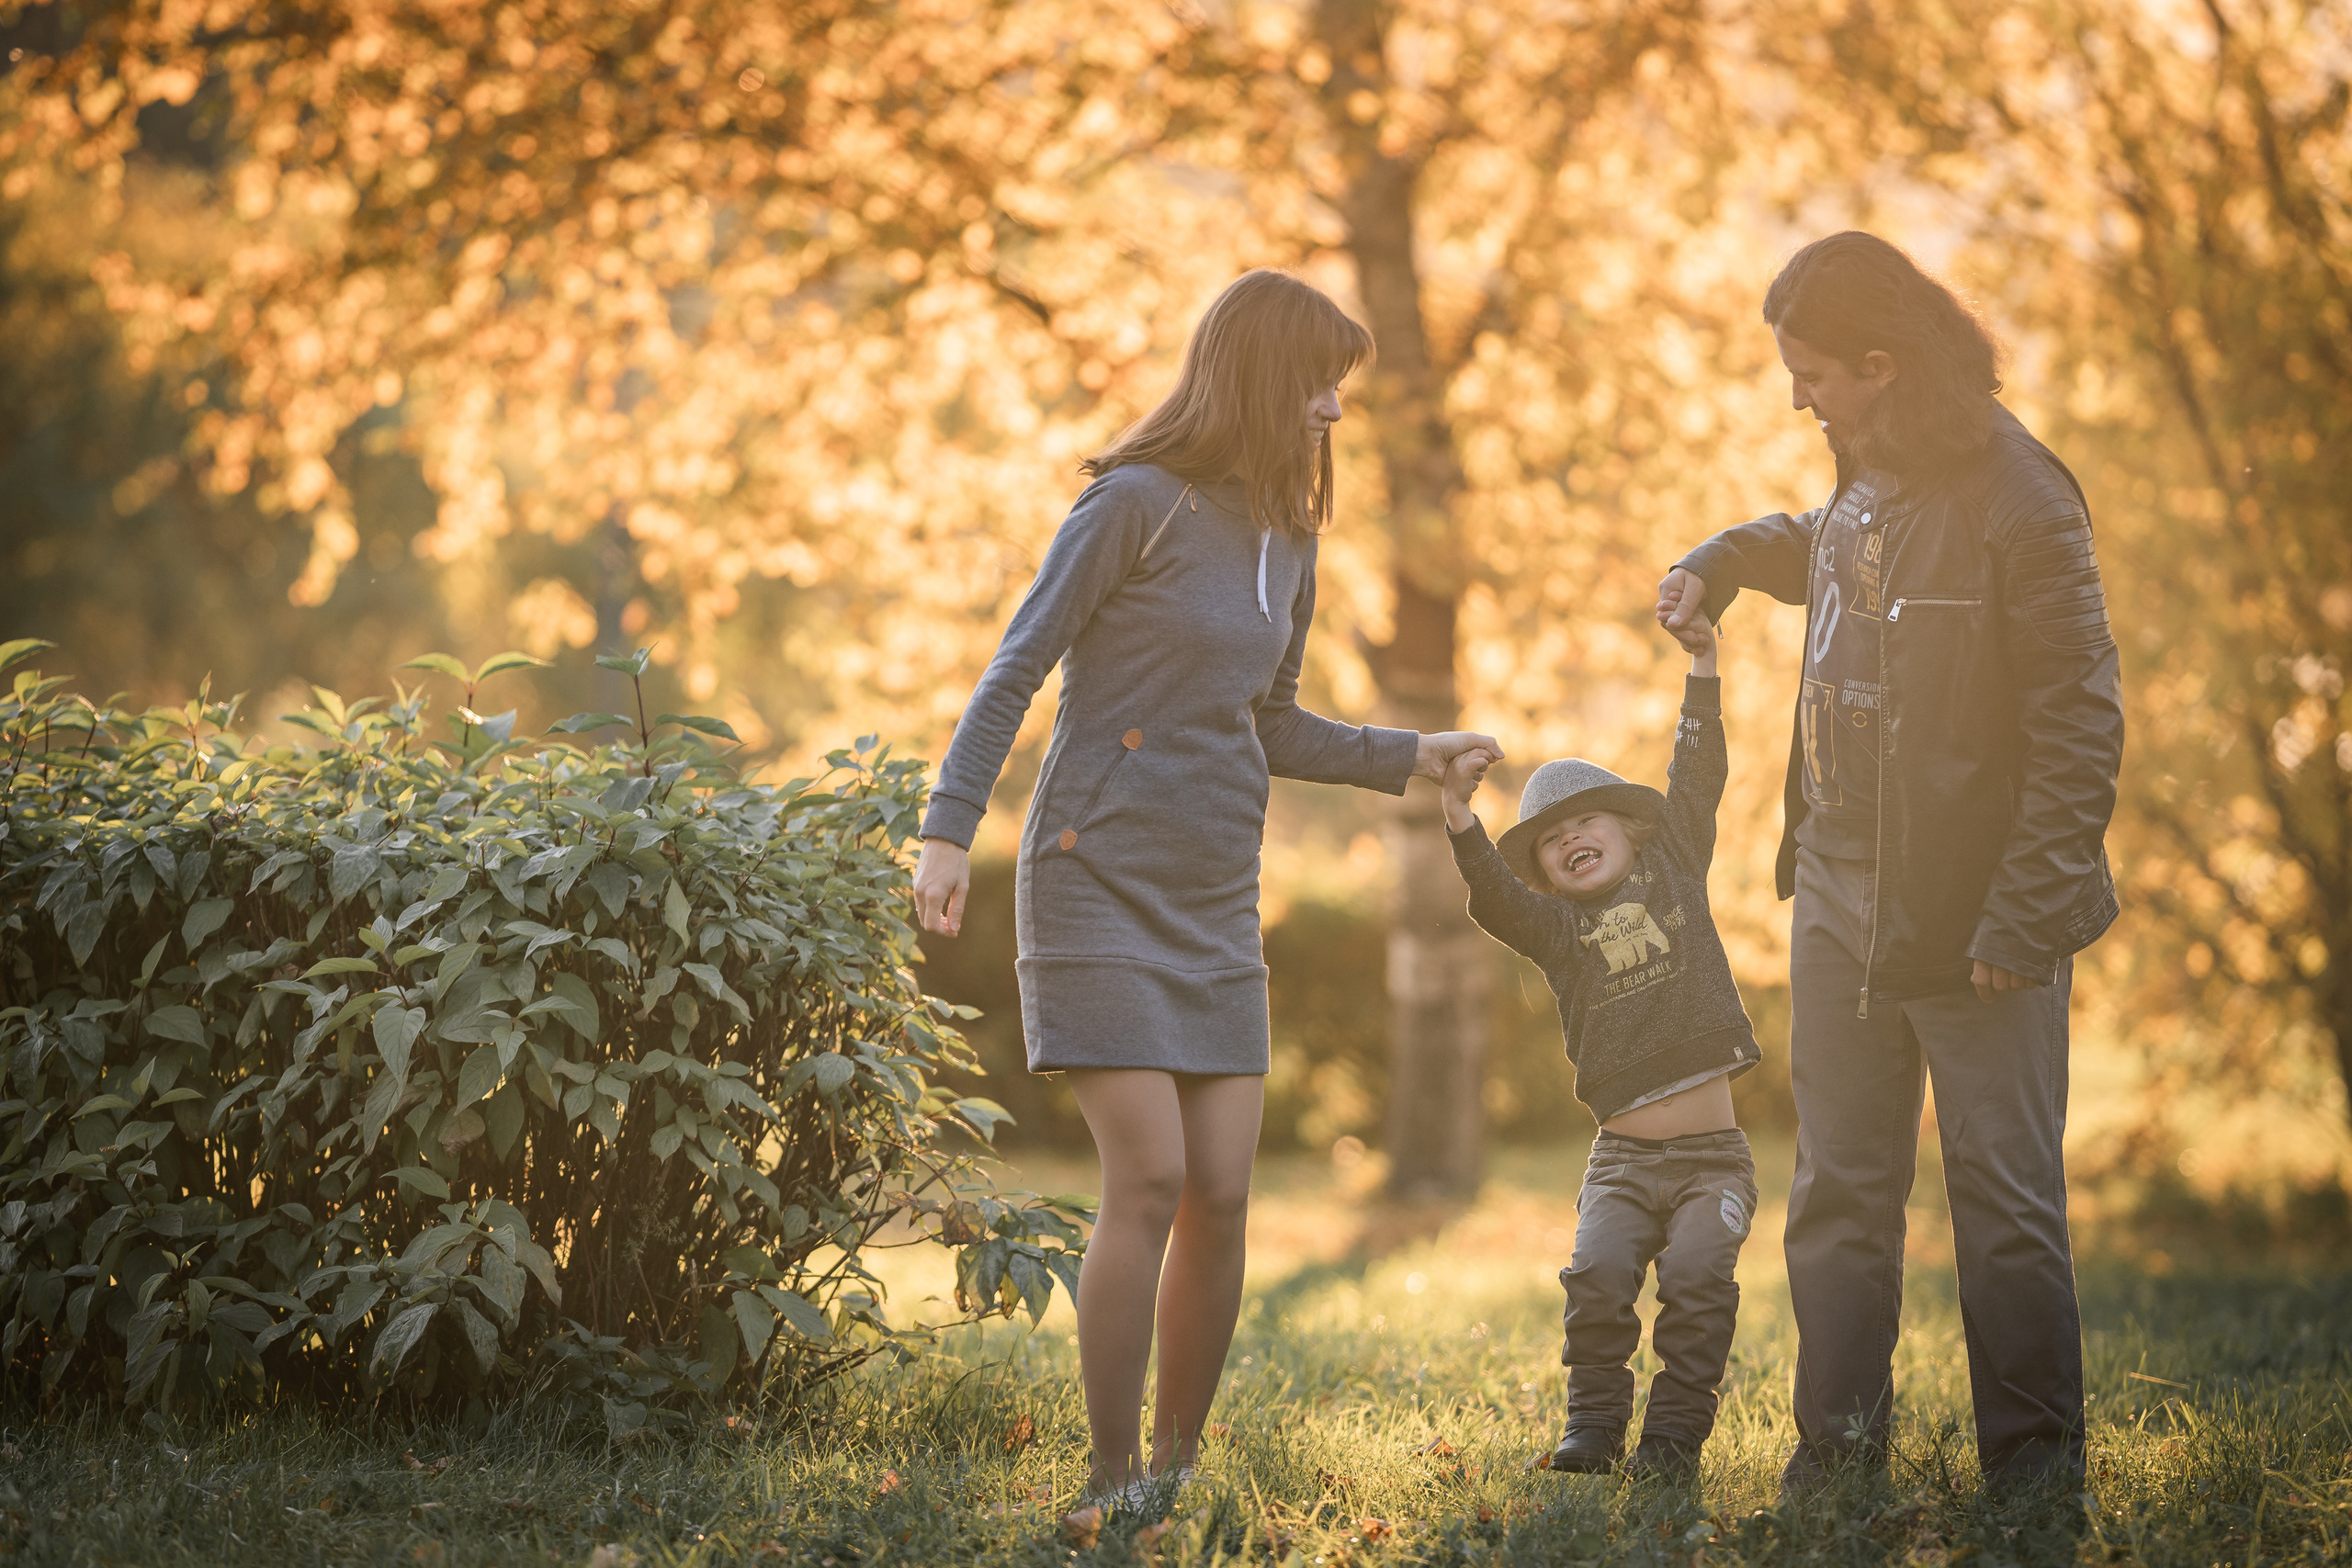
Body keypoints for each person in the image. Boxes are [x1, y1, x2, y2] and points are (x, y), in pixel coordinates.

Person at [909, 269, 1500, 1507]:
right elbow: (1017, 667)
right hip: (1094, 877)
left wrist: (1409, 755)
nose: (1334, 410)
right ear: (1259, 379)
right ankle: (1108, 1467)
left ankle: (1170, 1469)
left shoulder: (1291, 539)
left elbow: (1271, 723)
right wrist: (950, 829)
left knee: (1225, 1189)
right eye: (1318, 383)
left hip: (1215, 893)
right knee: (1154, 1175)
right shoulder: (1135, 504)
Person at [1656, 231, 2123, 1495]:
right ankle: (1838, 1468)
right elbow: (1828, 544)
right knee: (1839, 1196)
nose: (1795, 395)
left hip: (1981, 919)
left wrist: (2022, 918)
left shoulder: (2025, 496)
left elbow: (2081, 725)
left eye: (1811, 372)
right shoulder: (1871, 465)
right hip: (1839, 893)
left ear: (1881, 363)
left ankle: (2035, 1488)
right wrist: (1721, 559)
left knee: (2005, 1207)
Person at [1439, 610, 1760, 1483]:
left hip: (1711, 1162)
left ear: (1633, 831)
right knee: (1595, 1279)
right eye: (1549, 840)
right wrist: (1463, 822)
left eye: (1586, 825)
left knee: (1697, 1284)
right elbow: (1494, 902)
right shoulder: (1557, 930)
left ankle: (1671, 1441)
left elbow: (1697, 776)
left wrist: (1703, 665)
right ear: (1544, 870)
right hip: (1620, 1162)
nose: (1569, 840)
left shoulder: (1677, 866)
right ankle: (1593, 1428)